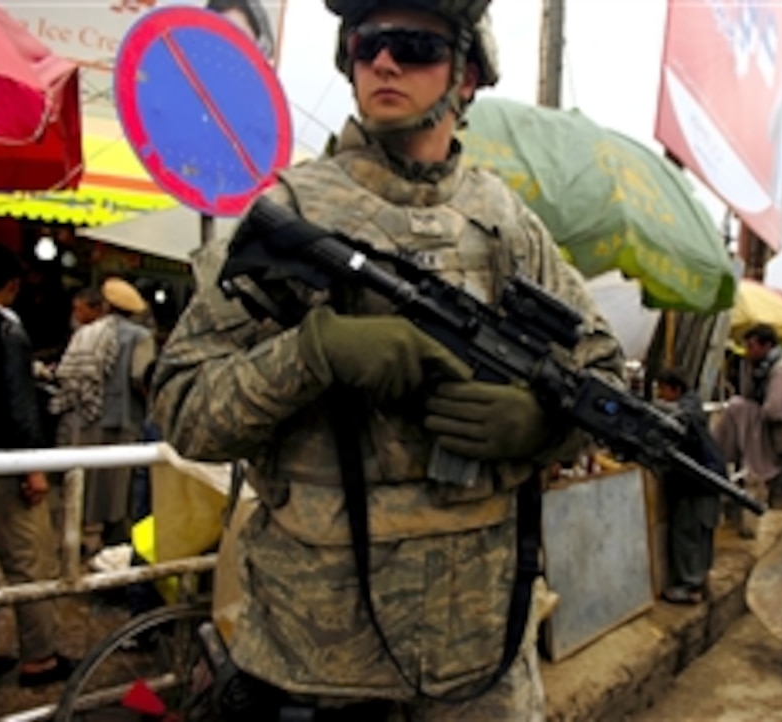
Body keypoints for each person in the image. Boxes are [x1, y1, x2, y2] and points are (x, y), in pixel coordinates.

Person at [151, 1, 624, 718]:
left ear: (466, 75)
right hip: (315, 661)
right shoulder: (291, 214)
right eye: (367, 42)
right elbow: (184, 410)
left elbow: (603, 377)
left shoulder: (507, 225)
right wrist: (311, 354)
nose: (385, 62)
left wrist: (544, 426)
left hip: (481, 663)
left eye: (414, 45)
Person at [0, 244, 73, 687]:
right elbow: (20, 405)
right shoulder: (8, 331)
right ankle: (40, 659)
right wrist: (33, 467)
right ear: (12, 286)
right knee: (28, 562)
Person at [51, 277, 156, 552]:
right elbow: (140, 376)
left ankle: (79, 539)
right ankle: (109, 542)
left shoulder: (87, 332)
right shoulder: (140, 337)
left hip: (86, 415)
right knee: (116, 488)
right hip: (122, 419)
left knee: (83, 480)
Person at [715, 324, 782, 519]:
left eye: (752, 346)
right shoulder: (764, 368)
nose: (748, 351)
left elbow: (775, 410)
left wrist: (749, 414)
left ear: (766, 346)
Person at [654, 368, 725, 605]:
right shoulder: (692, 407)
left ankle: (690, 586)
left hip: (697, 484)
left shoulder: (685, 413)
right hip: (707, 481)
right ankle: (697, 582)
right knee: (699, 536)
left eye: (662, 390)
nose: (660, 395)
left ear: (675, 389)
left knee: (689, 535)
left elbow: (672, 417)